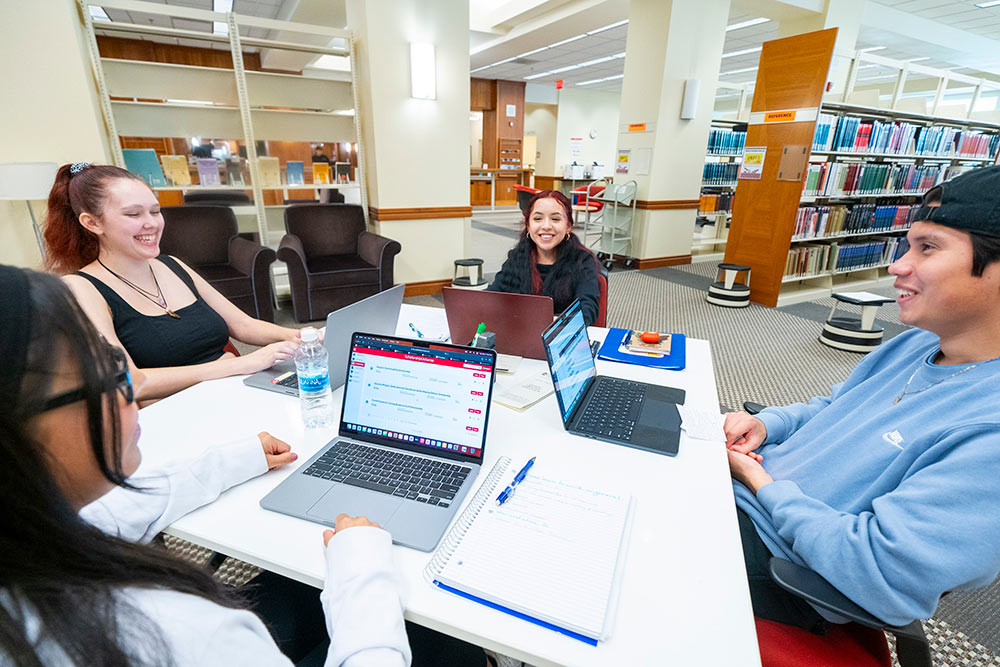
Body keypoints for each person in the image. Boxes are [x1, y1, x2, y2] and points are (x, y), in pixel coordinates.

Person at [0, 265, 410, 666]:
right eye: (109, 372)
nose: (130, 392)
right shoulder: (183, 635)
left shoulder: (32, 544)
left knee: (294, 586)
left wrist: (234, 459)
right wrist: (361, 565)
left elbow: (113, 512)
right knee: (436, 638)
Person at [723, 165, 1000, 632]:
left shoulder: (987, 429)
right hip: (749, 500)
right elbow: (834, 408)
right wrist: (770, 424)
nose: (897, 266)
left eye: (927, 248)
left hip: (783, 568)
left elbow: (882, 574)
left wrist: (760, 482)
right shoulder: (916, 344)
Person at [44, 162, 302, 401]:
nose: (151, 224)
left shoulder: (171, 265)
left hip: (231, 391)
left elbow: (242, 325)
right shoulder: (81, 288)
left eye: (155, 211)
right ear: (92, 222)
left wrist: (303, 336)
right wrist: (234, 365)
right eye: (133, 214)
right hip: (178, 413)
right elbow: (130, 382)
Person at [488, 190, 601, 326]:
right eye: (538, 218)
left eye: (555, 219)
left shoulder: (582, 260)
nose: (546, 226)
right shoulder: (517, 257)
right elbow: (493, 297)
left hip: (560, 338)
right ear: (528, 226)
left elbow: (587, 309)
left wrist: (551, 324)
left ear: (568, 227)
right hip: (520, 336)